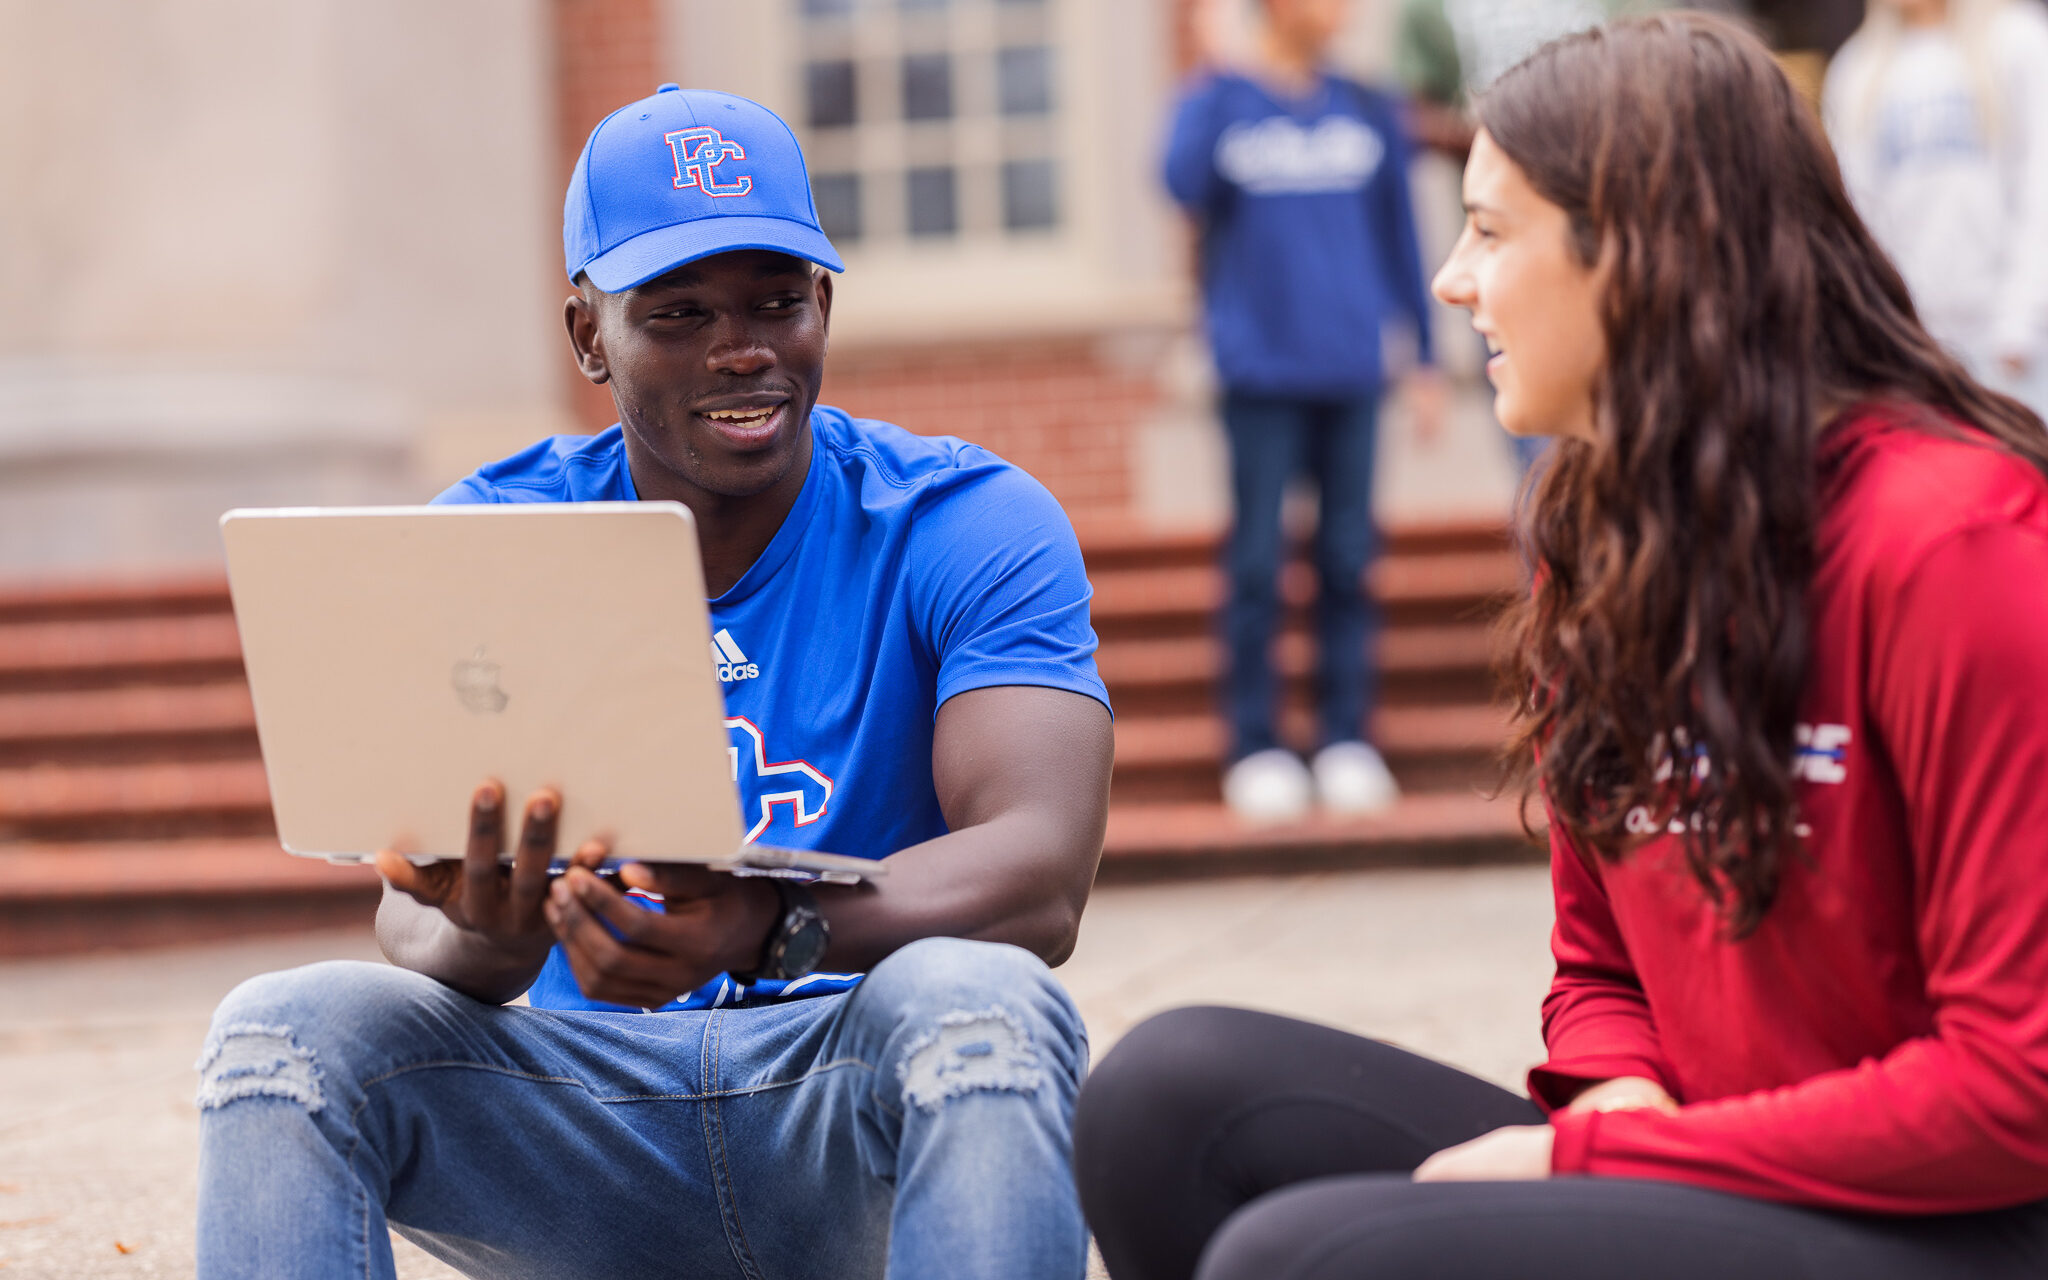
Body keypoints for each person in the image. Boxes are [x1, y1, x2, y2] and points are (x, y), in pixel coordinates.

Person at [1078, 14, 2048, 1279]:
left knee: (1299, 1256)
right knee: (1163, 1092)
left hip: (1953, 1219)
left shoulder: (1953, 544)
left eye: (1487, 229)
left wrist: (1602, 1161)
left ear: (1636, 253)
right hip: (1705, 1168)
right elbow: (1595, 970)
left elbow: (2013, 1089)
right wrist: (1616, 1098)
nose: (1447, 279)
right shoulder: (1595, 536)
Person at [194, 87, 1115, 1280]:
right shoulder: (492, 538)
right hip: (590, 1119)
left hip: (852, 1094)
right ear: (587, 335)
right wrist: (484, 929)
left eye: (776, 302)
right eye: (678, 313)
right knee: (279, 1035)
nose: (743, 348)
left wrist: (769, 925)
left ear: (823, 304)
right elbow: (406, 911)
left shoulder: (962, 520)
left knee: (982, 1000)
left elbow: (1039, 871)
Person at [1165, 0, 1445, 824]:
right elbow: (1180, 184)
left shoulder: (1366, 106)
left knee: (1349, 558)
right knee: (1256, 564)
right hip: (1259, 374)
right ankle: (1255, 746)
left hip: (1354, 369)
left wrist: (1425, 357)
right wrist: (1218, 73)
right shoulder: (1222, 100)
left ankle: (1346, 738)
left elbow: (1402, 236)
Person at [1825, 0, 2048, 418]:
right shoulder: (1857, 68)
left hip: (2015, 347)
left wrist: (2019, 326)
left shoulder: (2021, 41)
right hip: (1917, 350)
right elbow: (1857, 220)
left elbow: (2041, 192)